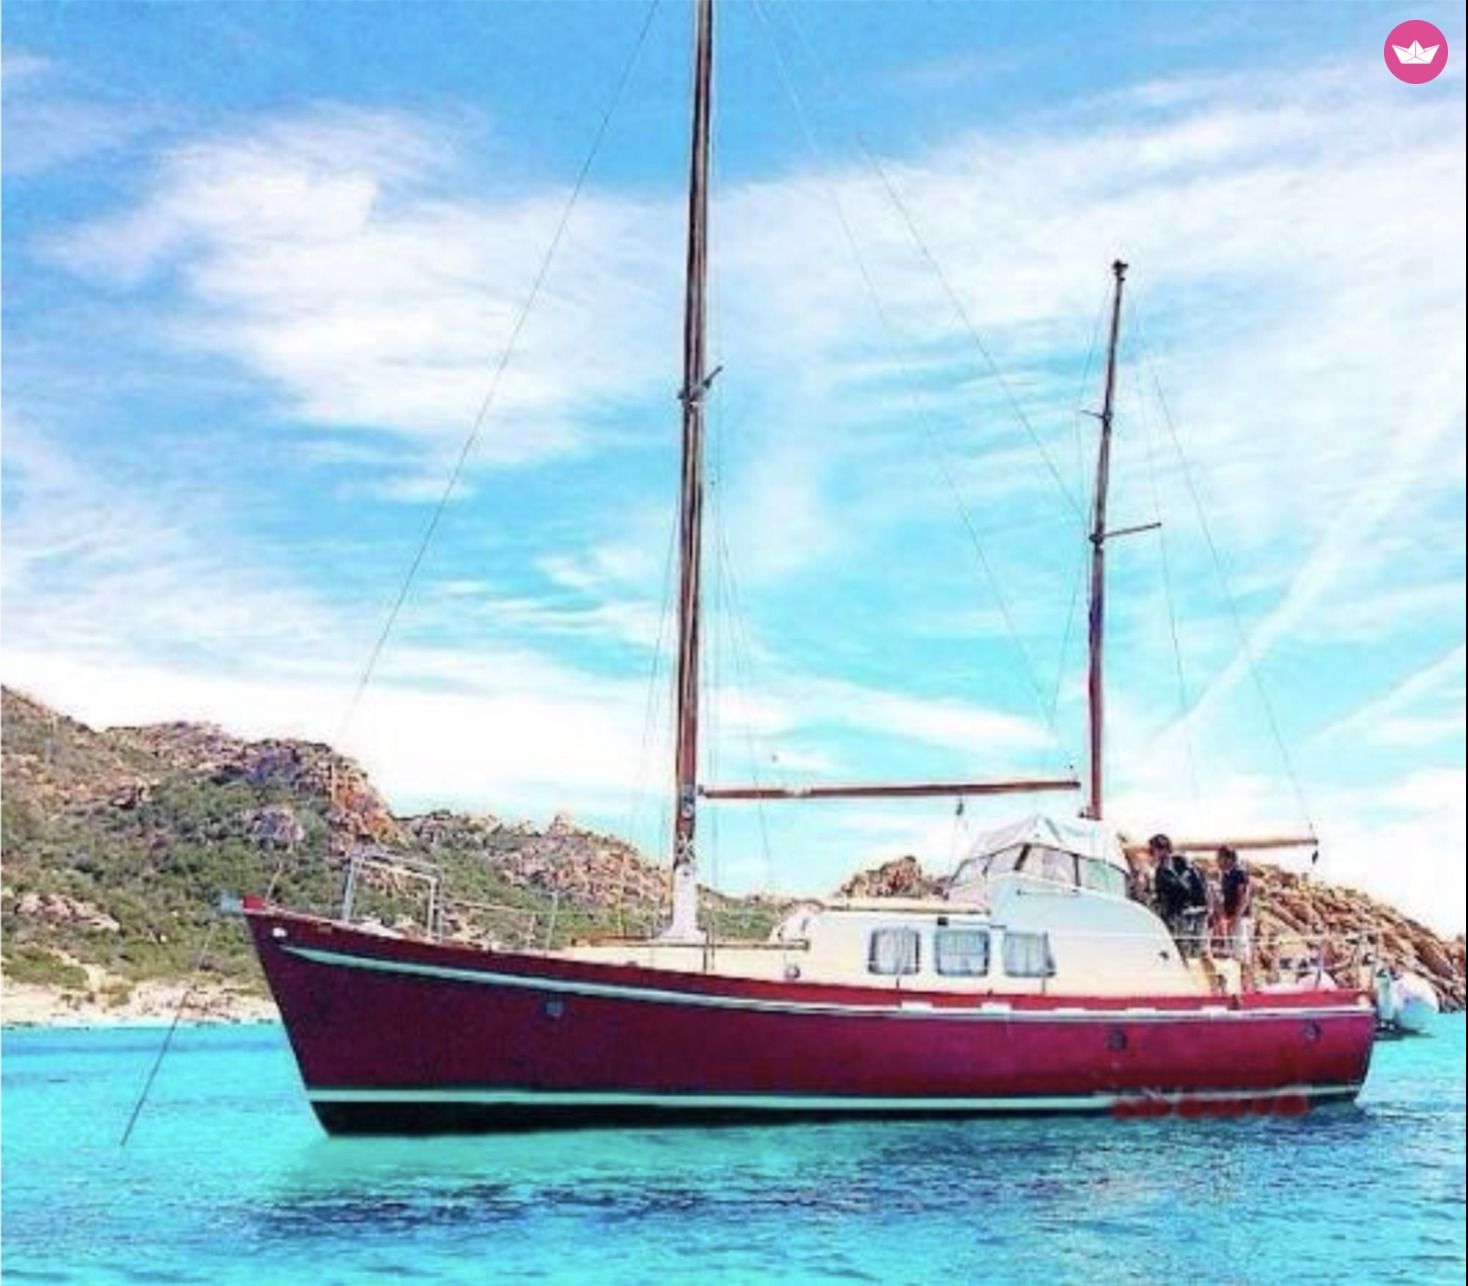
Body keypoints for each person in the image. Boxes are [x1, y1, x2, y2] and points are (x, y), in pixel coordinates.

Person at [1151, 835, 1207, 954]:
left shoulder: (1178, 862)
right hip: (1177, 913)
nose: (1152, 854)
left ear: (1164, 849)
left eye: (1153, 850)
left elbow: (1184, 887)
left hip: (1185, 913)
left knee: (1185, 948)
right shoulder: (1162, 868)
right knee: (1178, 947)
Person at [1217, 846, 1253, 966]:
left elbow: (1243, 897)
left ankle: (1245, 980)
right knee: (1232, 950)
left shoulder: (1239, 874)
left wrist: (1236, 917)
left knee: (1241, 950)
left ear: (1229, 859)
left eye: (1219, 858)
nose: (1217, 861)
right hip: (1231, 917)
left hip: (1241, 917)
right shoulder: (1225, 876)